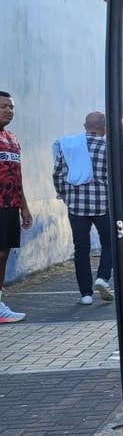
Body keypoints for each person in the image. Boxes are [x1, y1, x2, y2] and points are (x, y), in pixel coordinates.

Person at [52, 112, 112, 306]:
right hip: (103, 204)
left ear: (85, 125)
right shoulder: (108, 147)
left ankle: (85, 295)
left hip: (76, 207)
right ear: (104, 128)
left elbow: (58, 174)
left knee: (81, 249)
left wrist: (65, 196)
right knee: (109, 243)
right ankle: (103, 277)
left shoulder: (69, 146)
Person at [0, 92, 32, 323]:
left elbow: (17, 176)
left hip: (10, 206)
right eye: (3, 107)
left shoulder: (12, 138)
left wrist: (24, 207)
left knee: (3, 255)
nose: (8, 111)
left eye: (11, 107)